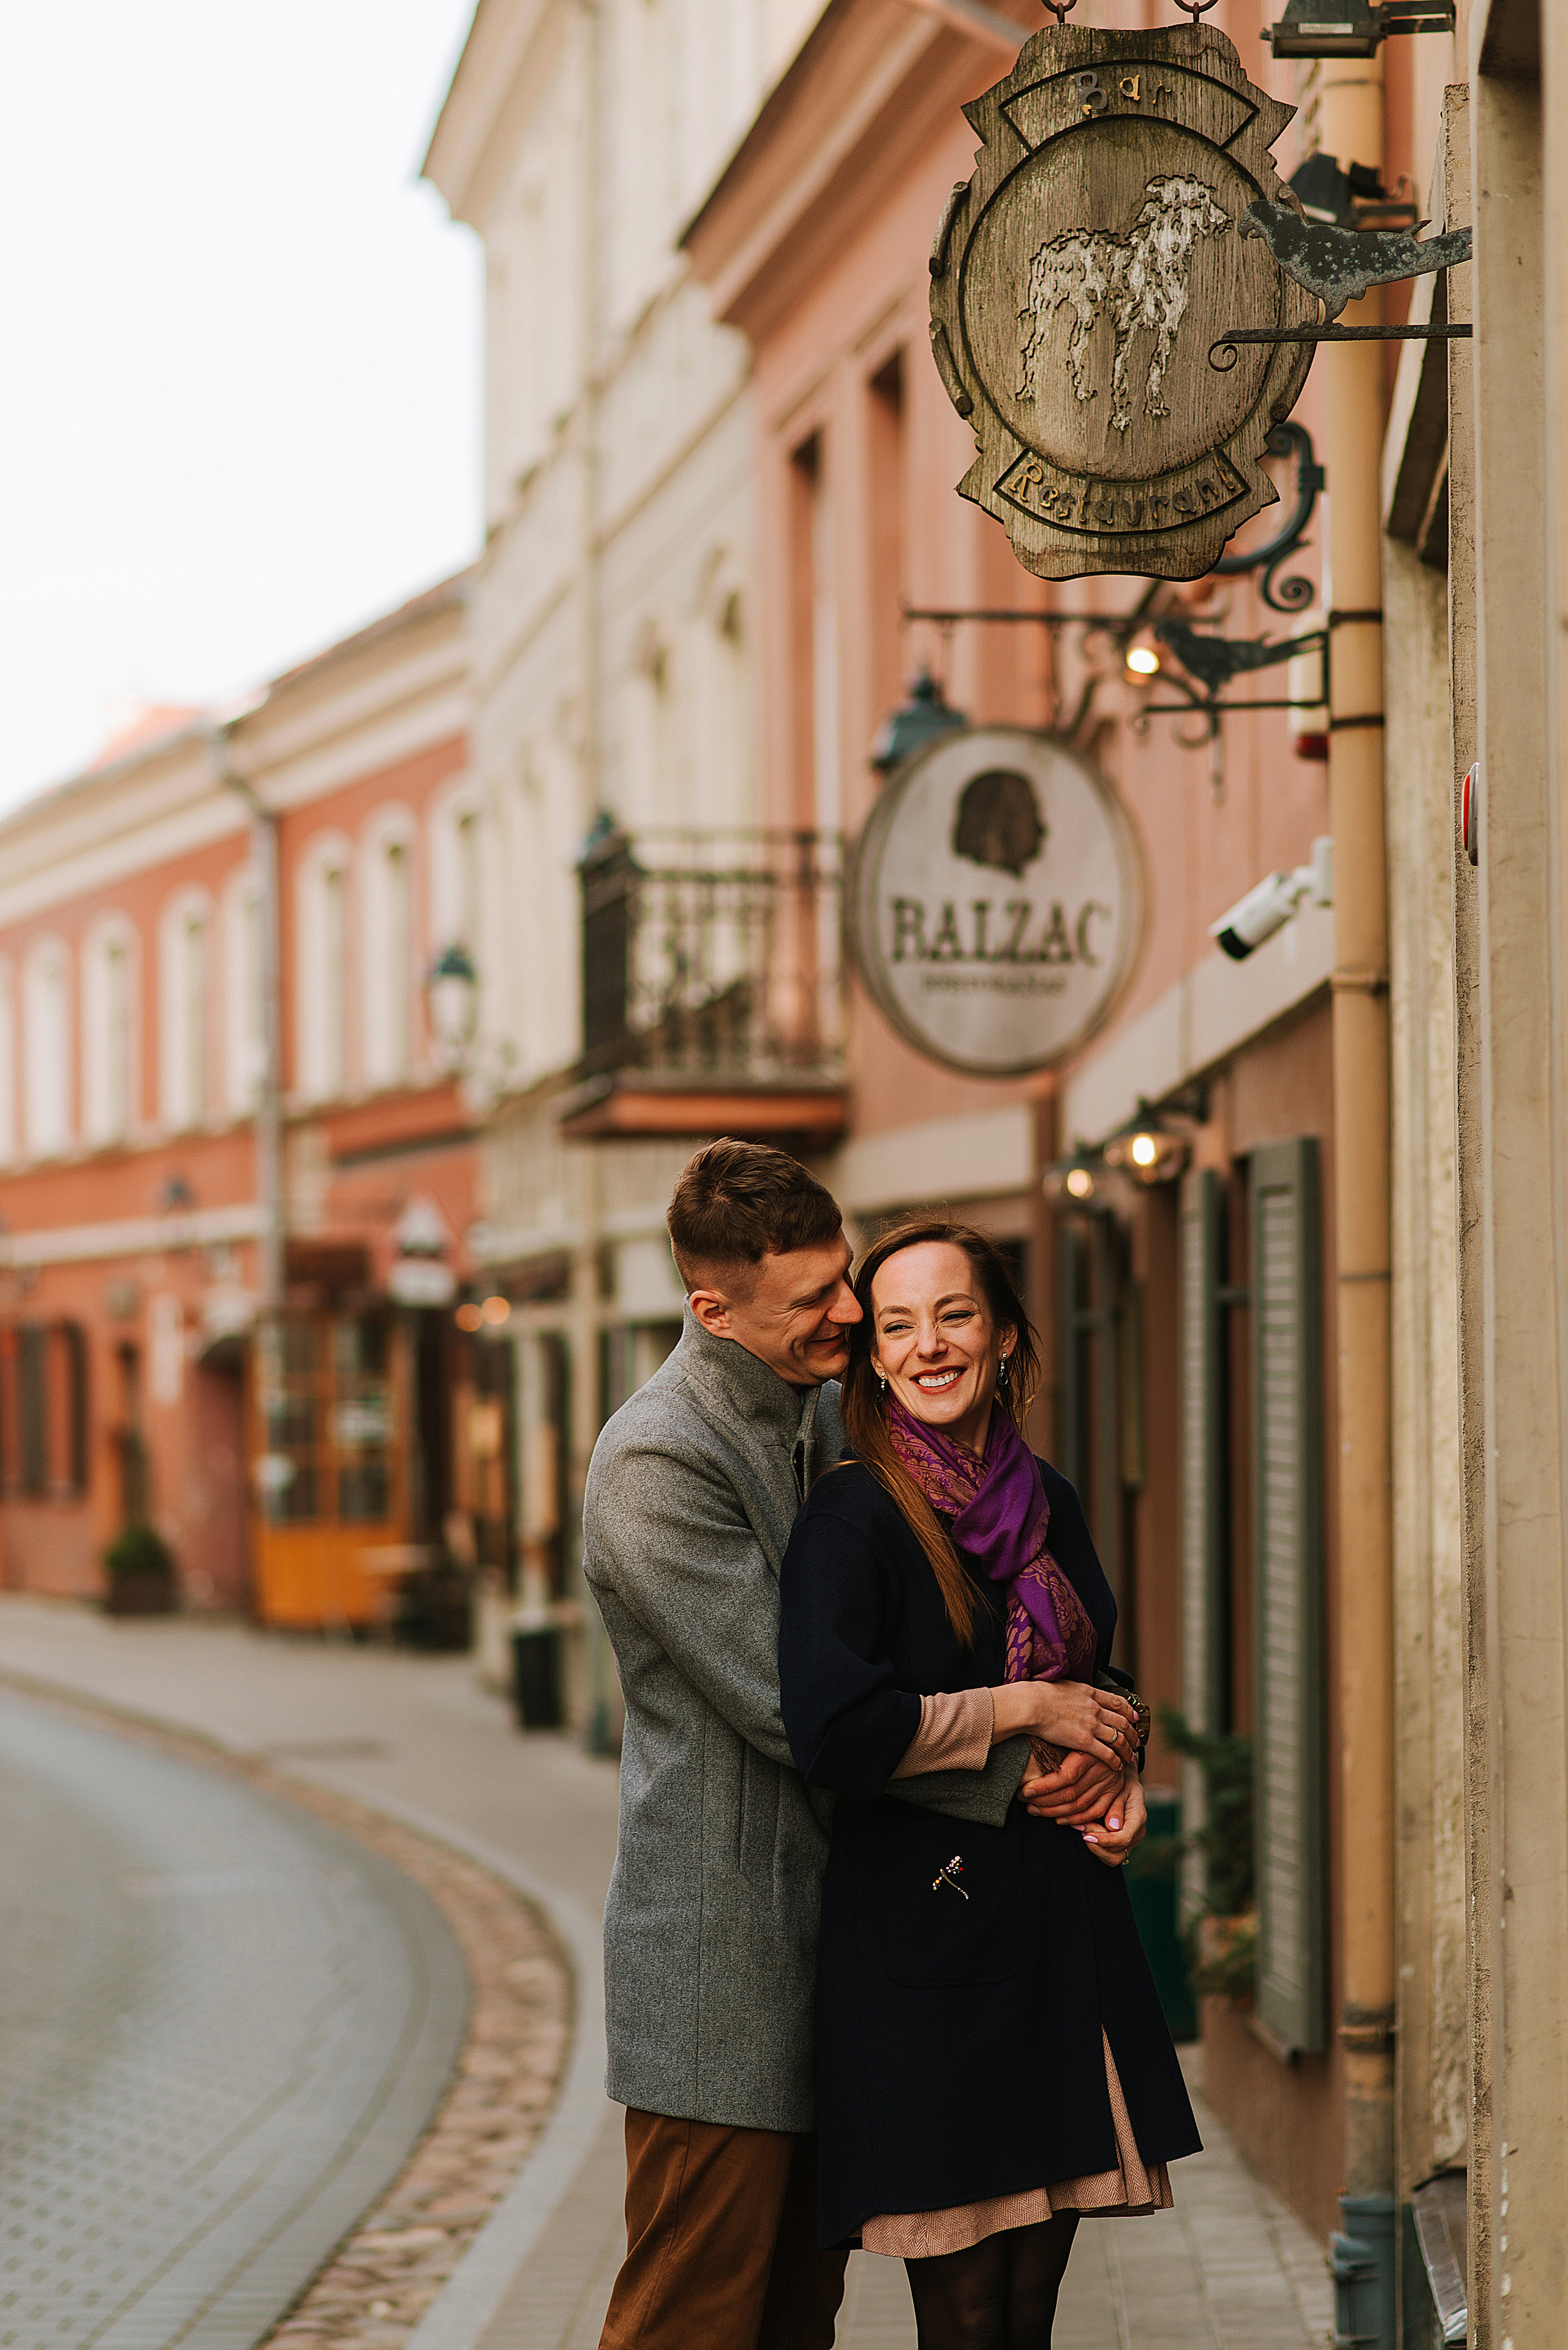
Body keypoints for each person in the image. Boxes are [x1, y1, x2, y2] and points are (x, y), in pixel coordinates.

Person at [583, 1146, 1030, 2350]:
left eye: (844, 1277)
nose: (849, 1311)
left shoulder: (831, 1407)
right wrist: (1030, 1757)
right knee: (691, 2322)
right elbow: (802, 1712)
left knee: (792, 2325)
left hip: (840, 1956)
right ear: (711, 1308)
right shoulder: (655, 1461)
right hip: (717, 1983)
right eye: (814, 1298)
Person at [778, 1218, 1202, 2350]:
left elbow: (1094, 1670)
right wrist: (1028, 1715)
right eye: (900, 1324)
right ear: (873, 1356)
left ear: (1005, 1336)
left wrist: (1117, 1767)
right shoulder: (852, 1515)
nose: (928, 1346)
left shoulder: (1047, 1497)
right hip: (925, 1948)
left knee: (1030, 2310)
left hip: (1054, 1927)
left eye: (955, 1315)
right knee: (964, 2316)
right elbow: (836, 1732)